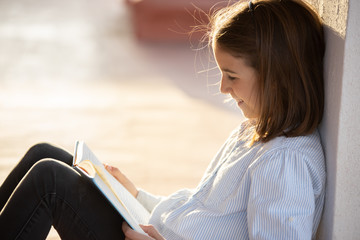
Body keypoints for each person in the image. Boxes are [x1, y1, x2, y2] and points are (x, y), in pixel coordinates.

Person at [0, 0, 326, 239]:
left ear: (276, 77)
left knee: (49, 182)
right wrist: (135, 195)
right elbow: (197, 212)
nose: (223, 87)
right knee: (45, 153)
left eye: (232, 75)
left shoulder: (285, 162)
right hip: (153, 228)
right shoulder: (255, 132)